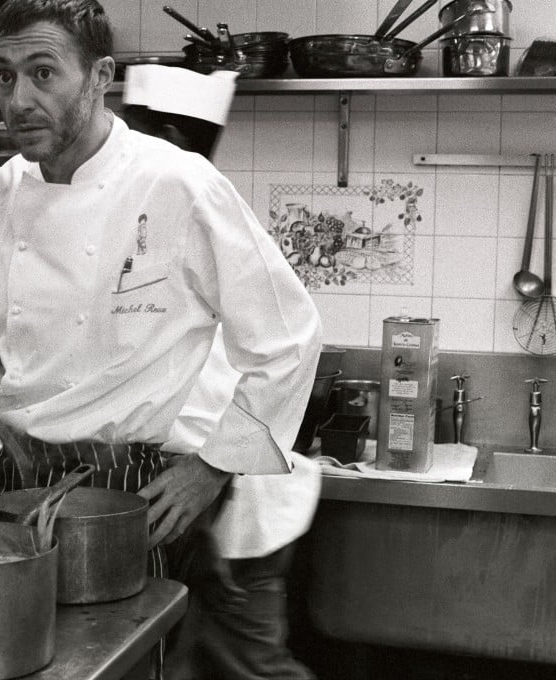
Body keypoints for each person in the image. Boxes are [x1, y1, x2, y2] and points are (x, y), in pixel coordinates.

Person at [0, 0, 320, 670]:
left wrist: (211, 468)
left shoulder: (177, 183)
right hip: (19, 478)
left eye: (42, 73)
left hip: (129, 495)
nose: (19, 99)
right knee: (12, 660)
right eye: (4, 77)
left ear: (98, 76)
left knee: (116, 660)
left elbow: (288, 333)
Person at [123, 65, 322, 680]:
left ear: (176, 145)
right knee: (178, 659)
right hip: (197, 505)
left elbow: (285, 348)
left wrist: (209, 486)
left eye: (135, 135)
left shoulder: (200, 217)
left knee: (252, 666)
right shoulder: (148, 217)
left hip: (235, 503)